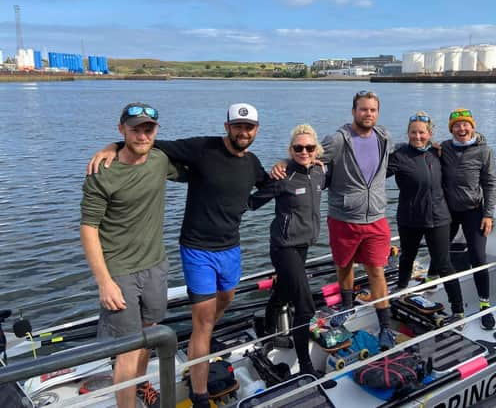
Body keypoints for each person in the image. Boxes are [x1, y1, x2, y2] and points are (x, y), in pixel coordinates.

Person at [88, 103, 269, 408]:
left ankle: (164, 366)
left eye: (248, 127)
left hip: (224, 249)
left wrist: (288, 170)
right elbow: (149, 143)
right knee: (192, 325)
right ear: (226, 126)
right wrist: (113, 145)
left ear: (256, 130)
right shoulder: (201, 148)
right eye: (237, 126)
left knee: (221, 301)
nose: (243, 131)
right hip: (194, 249)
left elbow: (266, 186)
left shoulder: (252, 163)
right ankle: (198, 394)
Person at [81, 103, 183, 408]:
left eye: (148, 129)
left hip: (155, 266)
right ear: (121, 129)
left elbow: (199, 164)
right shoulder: (103, 172)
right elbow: (88, 229)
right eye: (134, 128)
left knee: (149, 334)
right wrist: (104, 282)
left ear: (156, 132)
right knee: (126, 350)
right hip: (120, 272)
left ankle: (140, 386)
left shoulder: (160, 160)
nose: (141, 135)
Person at [281, 90, 396, 350]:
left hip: (377, 217)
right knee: (344, 265)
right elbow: (308, 157)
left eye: (373, 110)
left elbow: (398, 158)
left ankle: (386, 326)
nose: (368, 114)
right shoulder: (338, 139)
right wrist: (283, 163)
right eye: (363, 109)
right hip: (344, 218)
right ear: (354, 111)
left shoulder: (385, 137)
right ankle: (346, 306)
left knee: (377, 270)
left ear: (378, 113)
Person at [247, 124, 333, 382]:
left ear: (315, 149)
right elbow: (252, 202)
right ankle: (305, 365)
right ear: (291, 150)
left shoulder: (319, 172)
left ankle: (266, 325)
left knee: (285, 289)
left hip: (304, 244)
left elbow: (341, 162)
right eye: (298, 148)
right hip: (283, 246)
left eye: (308, 147)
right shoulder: (283, 176)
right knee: (305, 306)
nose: (304, 152)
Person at [387, 111, 465, 324]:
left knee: (444, 264)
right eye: (413, 132)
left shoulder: (438, 153)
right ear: (408, 133)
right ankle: (401, 290)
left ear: (430, 133)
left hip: (438, 217)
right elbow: (374, 174)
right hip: (410, 217)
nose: (417, 136)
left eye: (422, 132)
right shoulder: (399, 155)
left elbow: (468, 146)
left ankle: (458, 310)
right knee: (406, 258)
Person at [440, 108, 496, 330]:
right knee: (440, 252)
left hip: (474, 211)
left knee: (478, 257)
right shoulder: (443, 148)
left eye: (465, 125)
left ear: (472, 127)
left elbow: (490, 184)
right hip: (449, 211)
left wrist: (488, 214)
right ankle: (433, 285)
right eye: (456, 125)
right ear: (451, 129)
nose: (461, 129)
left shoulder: (484, 151)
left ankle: (485, 304)